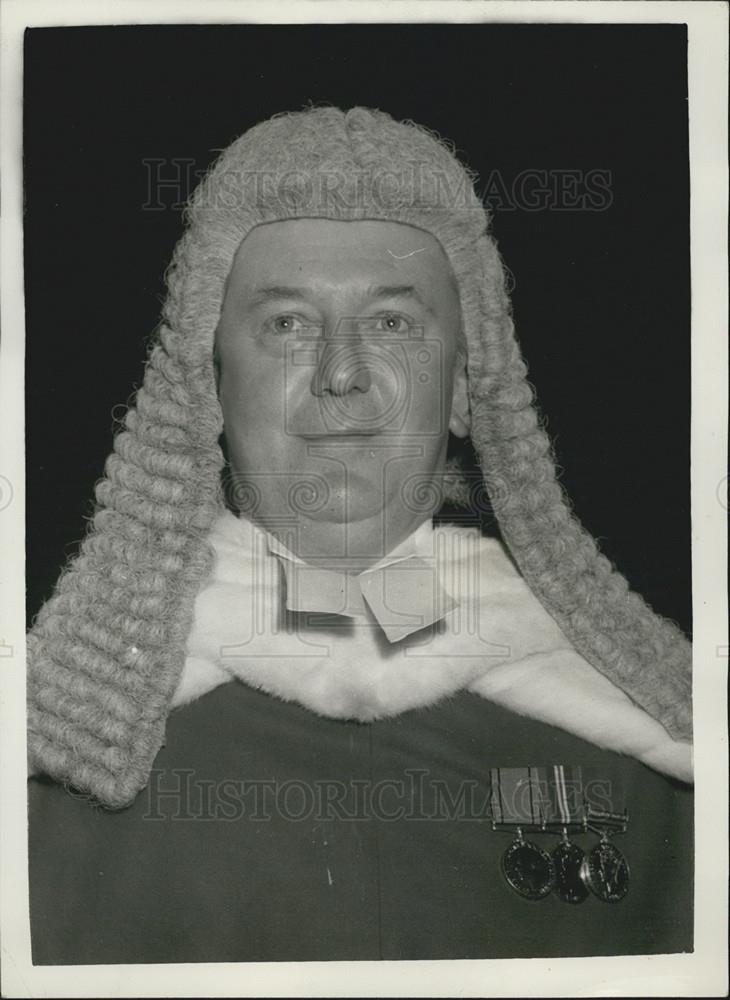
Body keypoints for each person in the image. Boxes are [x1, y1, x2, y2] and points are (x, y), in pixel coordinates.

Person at [26, 106, 693, 963]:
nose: (341, 374)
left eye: (391, 323)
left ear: (465, 386)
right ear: (205, 383)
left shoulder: (662, 769)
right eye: (287, 324)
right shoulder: (50, 768)